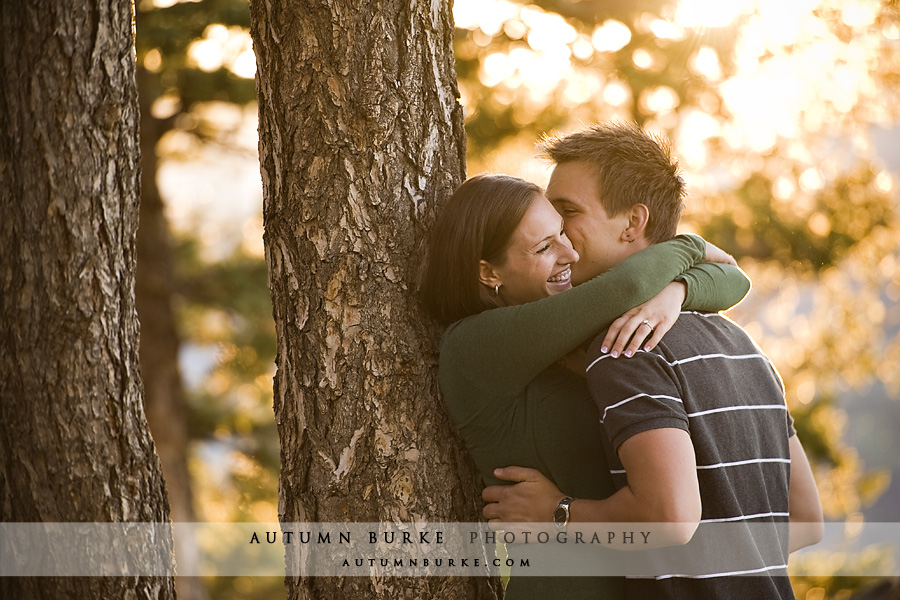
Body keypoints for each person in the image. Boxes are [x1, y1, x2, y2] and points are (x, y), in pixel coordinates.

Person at [481, 123, 824, 599]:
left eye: (569, 213)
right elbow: (806, 521)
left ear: (632, 223)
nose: (556, 231)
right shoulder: (742, 344)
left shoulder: (625, 347)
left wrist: (558, 512)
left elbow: (670, 516)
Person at [420, 167, 751, 599]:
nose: (570, 255)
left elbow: (734, 279)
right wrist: (689, 246)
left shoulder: (570, 315)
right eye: (543, 248)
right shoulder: (475, 344)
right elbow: (631, 282)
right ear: (488, 273)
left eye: (562, 232)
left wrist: (676, 293)